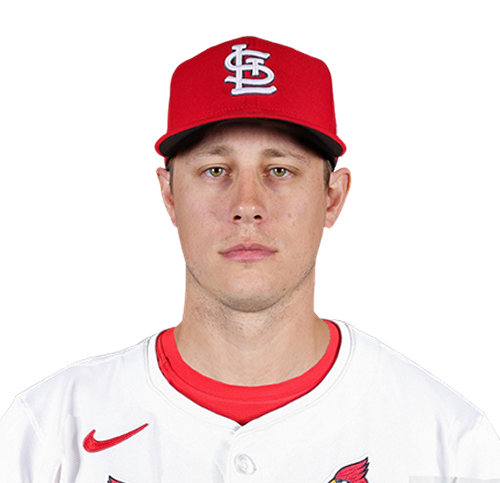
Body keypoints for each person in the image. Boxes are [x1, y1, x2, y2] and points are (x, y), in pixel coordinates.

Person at [1, 36, 498, 482]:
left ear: (332, 198)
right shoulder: (47, 431)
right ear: (169, 196)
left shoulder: (449, 441)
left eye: (279, 170)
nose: (246, 205)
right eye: (215, 170)